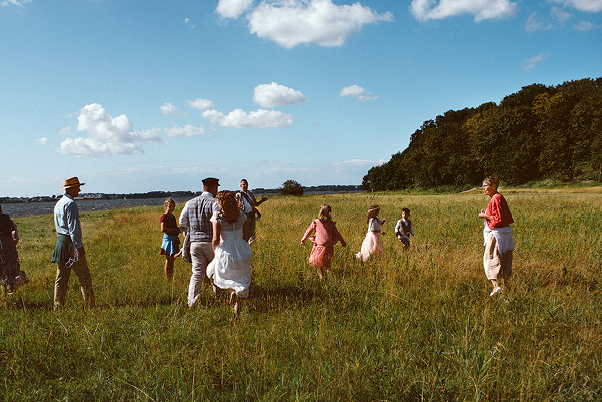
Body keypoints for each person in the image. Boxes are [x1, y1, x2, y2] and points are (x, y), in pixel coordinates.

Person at [51, 177, 95, 309]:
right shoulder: (70, 204)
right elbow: (73, 228)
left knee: (61, 278)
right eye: (77, 187)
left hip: (61, 243)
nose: (79, 190)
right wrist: (78, 246)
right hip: (71, 245)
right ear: (71, 189)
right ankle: (90, 305)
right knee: (84, 276)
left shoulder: (59, 203)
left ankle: (58, 306)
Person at [206, 190, 252, 315]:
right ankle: (237, 314)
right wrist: (241, 245)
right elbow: (248, 234)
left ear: (221, 202)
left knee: (222, 276)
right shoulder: (241, 214)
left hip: (225, 249)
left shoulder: (218, 216)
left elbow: (215, 238)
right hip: (241, 248)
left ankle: (232, 292)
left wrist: (216, 251)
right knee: (240, 280)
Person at [179, 177, 219, 308]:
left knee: (197, 274)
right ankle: (218, 297)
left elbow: (182, 222)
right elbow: (219, 221)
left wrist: (192, 232)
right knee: (215, 271)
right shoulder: (214, 203)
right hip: (210, 242)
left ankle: (192, 302)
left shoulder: (190, 203)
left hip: (194, 243)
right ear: (213, 188)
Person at [478, 176, 515, 297]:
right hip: (504, 233)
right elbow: (500, 215)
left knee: (490, 259)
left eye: (485, 186)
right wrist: (487, 212)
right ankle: (505, 287)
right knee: (504, 258)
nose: (483, 188)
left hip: (497, 234)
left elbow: (498, 219)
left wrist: (484, 216)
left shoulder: (496, 198)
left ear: (494, 186)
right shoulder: (498, 197)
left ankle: (496, 287)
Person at [300, 204, 347, 279]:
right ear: (329, 213)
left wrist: (303, 239)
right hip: (329, 246)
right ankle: (328, 275)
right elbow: (337, 233)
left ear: (320, 212)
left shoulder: (316, 222)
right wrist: (342, 241)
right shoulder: (331, 224)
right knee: (327, 262)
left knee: (318, 262)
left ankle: (321, 276)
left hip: (319, 246)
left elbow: (308, 231)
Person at [0, 205, 29, 295]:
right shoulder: (6, 218)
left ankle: (9, 289)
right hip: (9, 245)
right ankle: (11, 287)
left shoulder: (6, 219)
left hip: (4, 248)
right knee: (11, 270)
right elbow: (14, 228)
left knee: (5, 271)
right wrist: (14, 240)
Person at [238, 179, 268, 244]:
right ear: (240, 185)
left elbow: (255, 204)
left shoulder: (250, 193)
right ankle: (244, 245)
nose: (245, 185)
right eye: (243, 184)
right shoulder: (239, 195)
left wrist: (262, 200)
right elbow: (235, 207)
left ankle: (252, 245)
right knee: (244, 232)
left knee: (252, 232)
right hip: (244, 215)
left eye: (246, 184)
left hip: (251, 215)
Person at [160, 198, 181, 280]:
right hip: (168, 240)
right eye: (170, 206)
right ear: (165, 206)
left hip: (174, 239)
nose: (172, 208)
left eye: (173, 206)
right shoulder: (164, 216)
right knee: (168, 259)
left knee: (172, 259)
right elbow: (163, 229)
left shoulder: (172, 216)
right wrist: (175, 229)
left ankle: (170, 277)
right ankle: (168, 278)